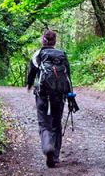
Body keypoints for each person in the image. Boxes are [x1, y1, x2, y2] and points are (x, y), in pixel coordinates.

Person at [26, 29, 72, 168]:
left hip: (42, 94)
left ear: (43, 40)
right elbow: (68, 78)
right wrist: (70, 97)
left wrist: (29, 85)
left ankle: (47, 147)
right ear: (55, 41)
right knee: (56, 122)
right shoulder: (61, 55)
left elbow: (32, 73)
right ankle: (55, 155)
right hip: (59, 95)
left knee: (44, 123)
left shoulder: (38, 54)